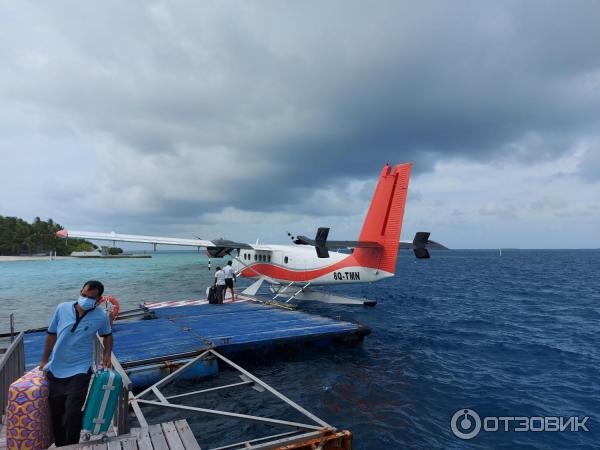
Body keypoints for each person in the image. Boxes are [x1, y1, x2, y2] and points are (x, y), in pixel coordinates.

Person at [39, 280, 113, 446]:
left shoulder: (101, 316)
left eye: (90, 297)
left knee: (72, 413)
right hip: (56, 369)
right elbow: (51, 335)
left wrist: (107, 354)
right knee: (57, 415)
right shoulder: (62, 308)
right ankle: (60, 445)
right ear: (80, 291)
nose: (84, 299)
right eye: (83, 294)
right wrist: (44, 360)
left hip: (80, 370)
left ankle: (71, 445)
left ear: (99, 299)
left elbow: (107, 335)